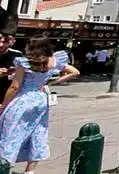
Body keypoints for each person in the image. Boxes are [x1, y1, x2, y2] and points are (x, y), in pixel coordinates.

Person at [0, 35, 79, 173]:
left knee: (11, 133)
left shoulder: (24, 62)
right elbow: (74, 72)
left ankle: (5, 166)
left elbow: (15, 87)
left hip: (23, 100)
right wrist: (51, 82)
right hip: (41, 99)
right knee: (37, 133)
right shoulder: (54, 60)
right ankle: (29, 171)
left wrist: (3, 105)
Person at [0, 31, 23, 98]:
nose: (1, 45)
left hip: (9, 93)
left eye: (5, 42)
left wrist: (14, 71)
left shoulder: (18, 55)